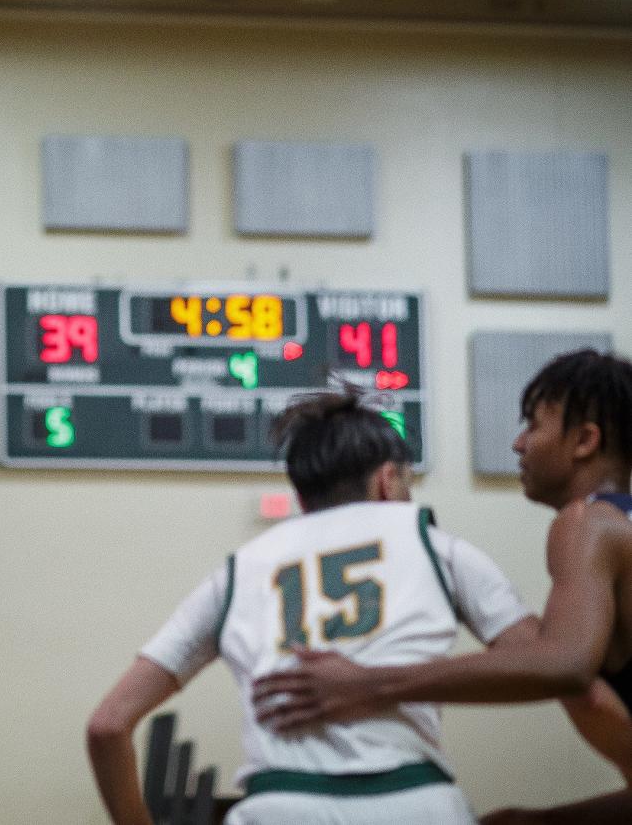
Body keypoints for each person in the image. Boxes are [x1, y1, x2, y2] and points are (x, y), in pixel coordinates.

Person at [87, 388, 537, 824]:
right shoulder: (438, 547)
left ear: (303, 499)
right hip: (413, 801)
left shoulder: (237, 571)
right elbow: (544, 666)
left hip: (279, 806)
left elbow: (107, 726)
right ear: (386, 480)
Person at [252, 349, 632, 822]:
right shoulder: (613, 523)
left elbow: (566, 668)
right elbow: (583, 687)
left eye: (533, 425)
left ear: (585, 441)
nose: (518, 444)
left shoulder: (588, 523)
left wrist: (370, 683)